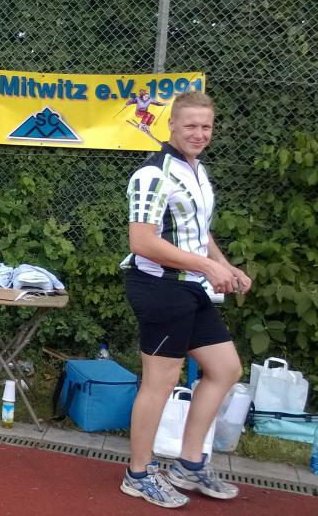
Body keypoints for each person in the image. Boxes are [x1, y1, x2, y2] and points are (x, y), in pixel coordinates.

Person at [119, 91, 251, 508]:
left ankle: (189, 465)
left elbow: (198, 228)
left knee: (226, 369)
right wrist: (208, 267)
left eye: (206, 126)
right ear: (171, 125)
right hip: (159, 287)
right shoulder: (152, 174)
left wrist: (224, 265)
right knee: (160, 382)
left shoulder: (197, 169)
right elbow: (142, 242)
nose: (199, 133)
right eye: (191, 125)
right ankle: (138, 474)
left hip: (191, 285)